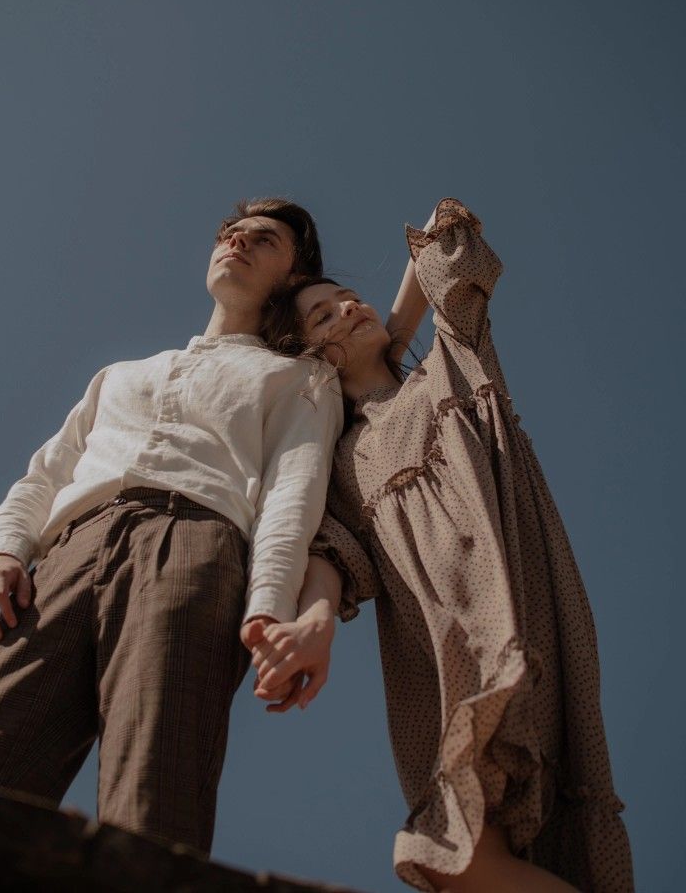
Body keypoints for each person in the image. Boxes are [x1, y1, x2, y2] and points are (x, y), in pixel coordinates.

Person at [248, 199, 635, 893]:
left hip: (515, 605)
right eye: (324, 316)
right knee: (452, 856)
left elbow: (446, 239)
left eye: (350, 299)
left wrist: (393, 331)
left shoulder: (453, 362)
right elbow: (335, 555)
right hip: (435, 649)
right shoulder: (336, 455)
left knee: (476, 847)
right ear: (311, 355)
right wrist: (311, 622)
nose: (348, 309)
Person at [0, 197, 343, 854]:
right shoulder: (119, 375)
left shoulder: (302, 376)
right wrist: (0, 551)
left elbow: (294, 492)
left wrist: (268, 606)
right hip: (62, 556)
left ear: (292, 275)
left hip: (193, 549)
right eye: (231, 232)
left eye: (264, 239)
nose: (238, 241)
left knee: (154, 786)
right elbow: (45, 474)